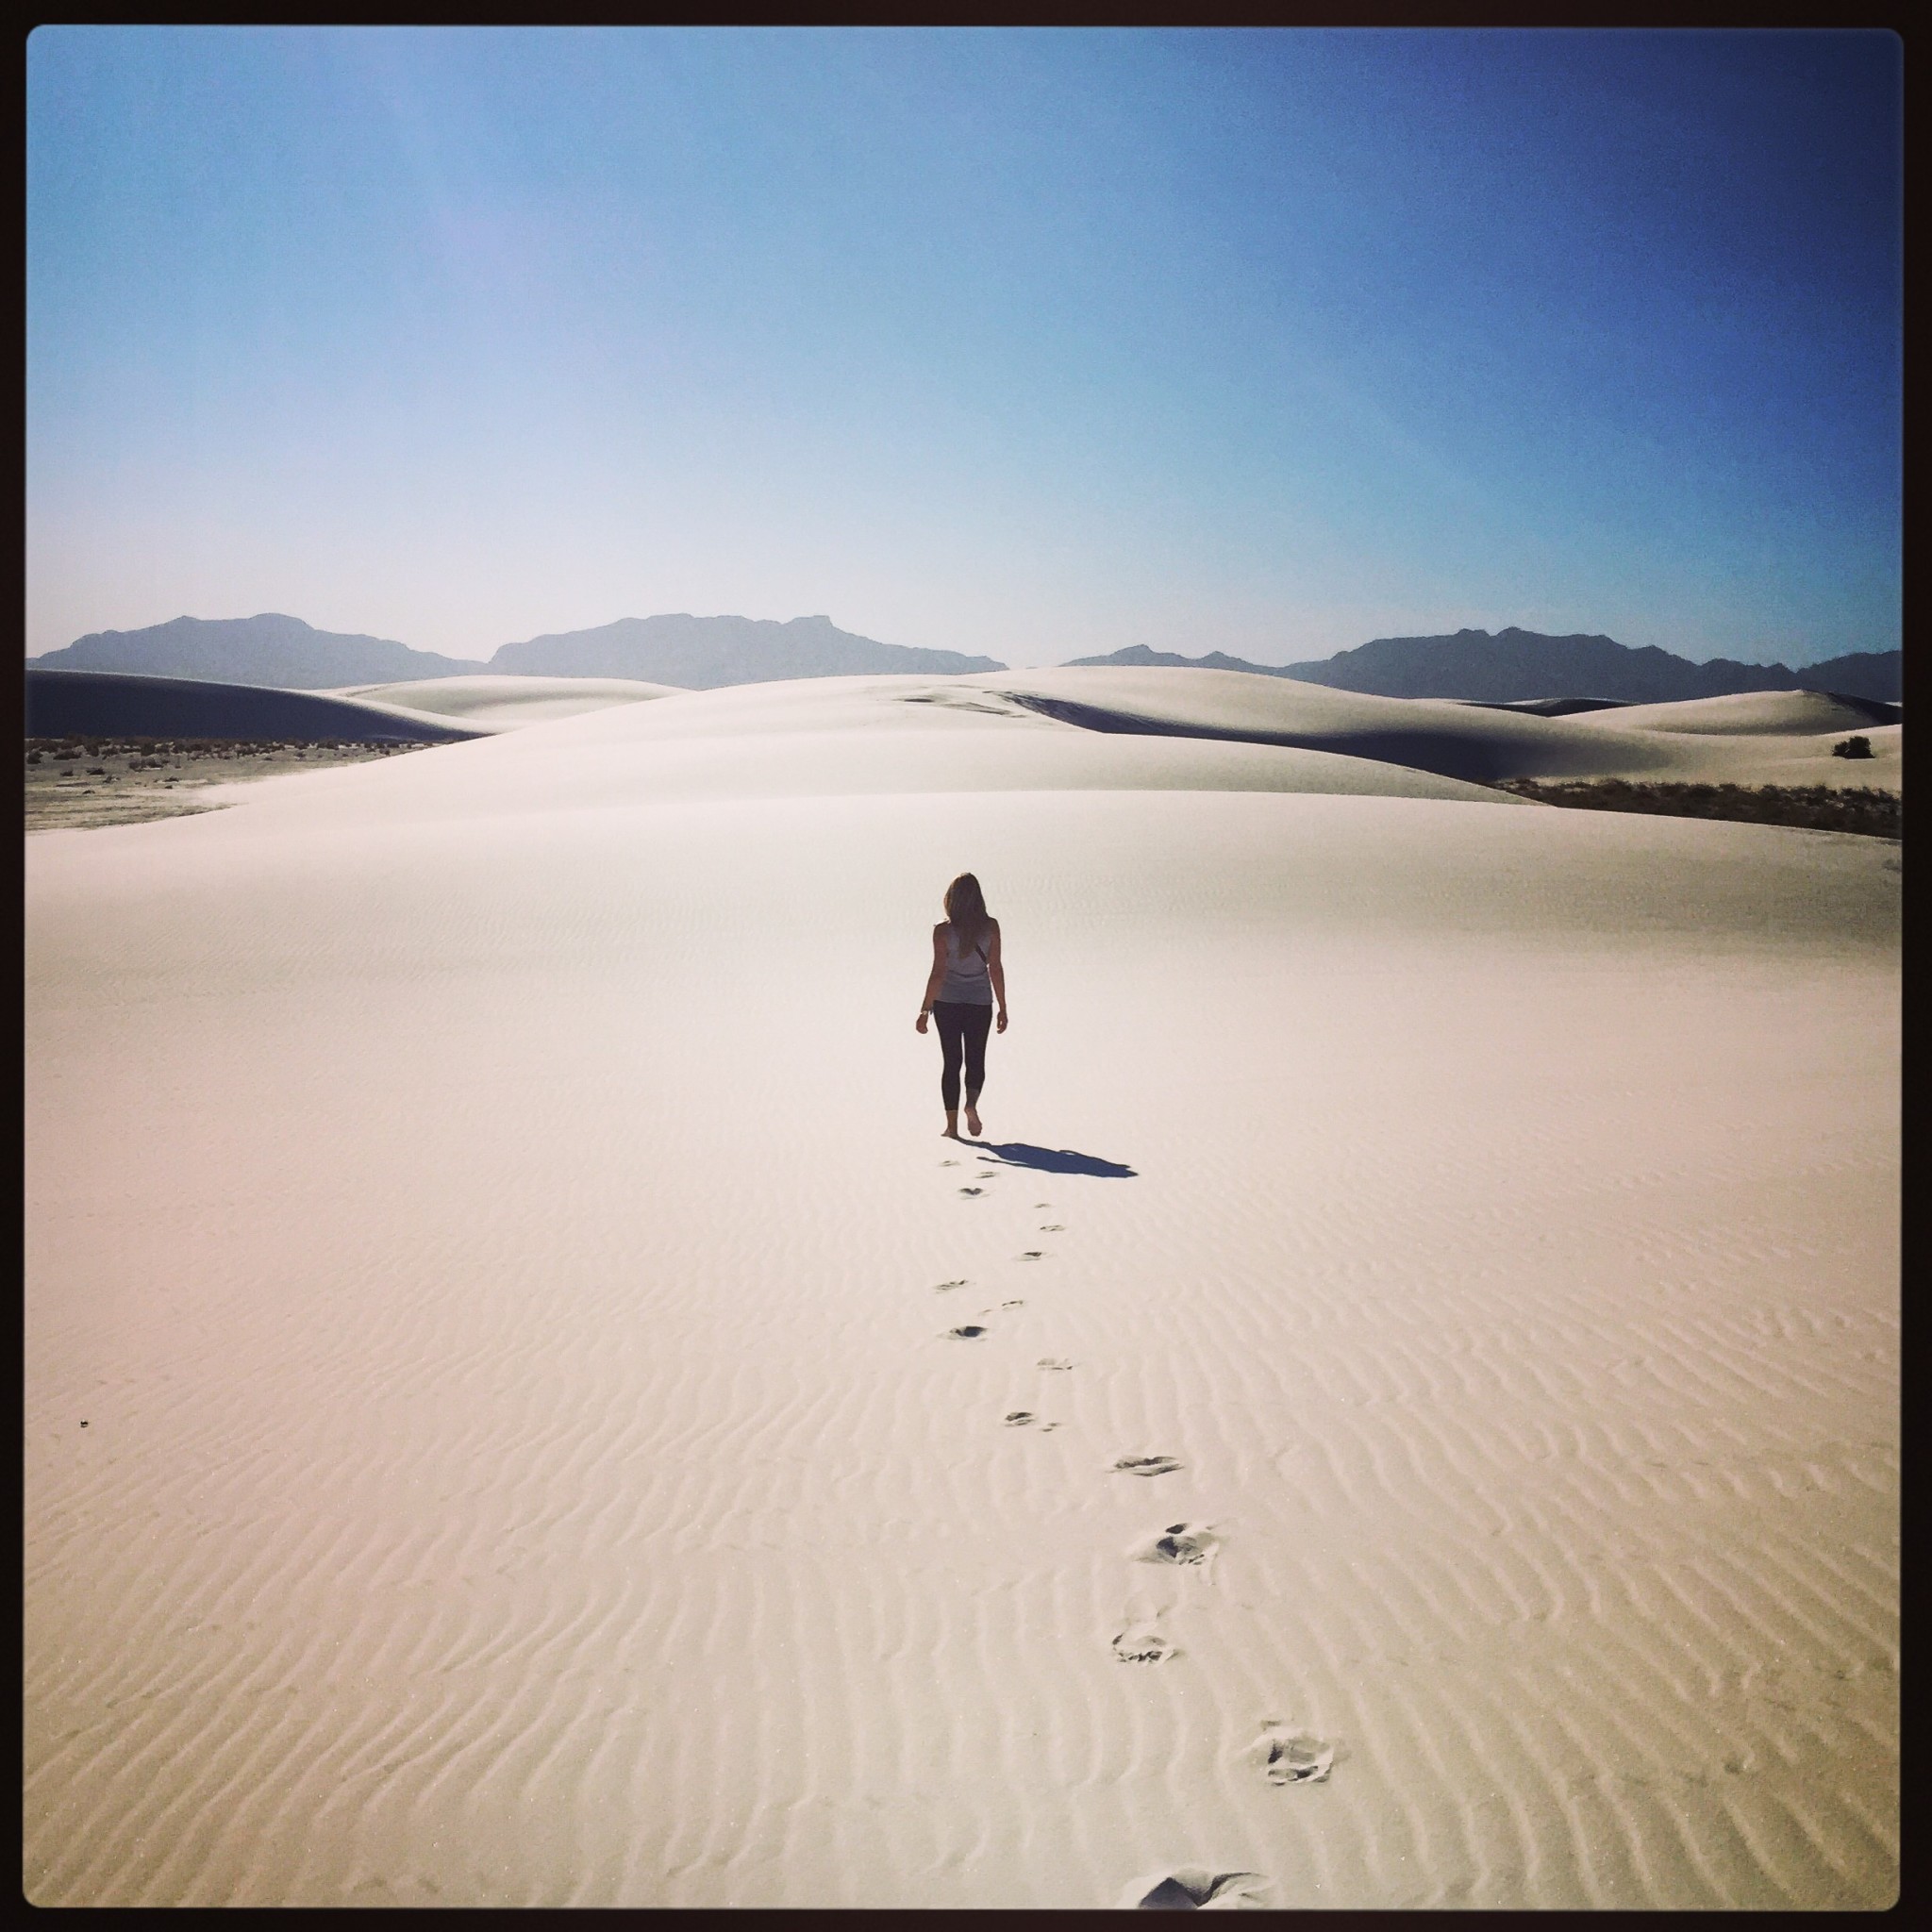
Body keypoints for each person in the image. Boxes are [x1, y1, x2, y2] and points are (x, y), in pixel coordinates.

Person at [915, 872, 1008, 1139]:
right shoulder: (991, 927)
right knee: (976, 1058)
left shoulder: (942, 931)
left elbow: (938, 973)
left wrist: (924, 1010)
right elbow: (996, 969)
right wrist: (1002, 1006)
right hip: (979, 1001)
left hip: (947, 1002)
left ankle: (952, 1127)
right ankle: (971, 1104)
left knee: (952, 1062)